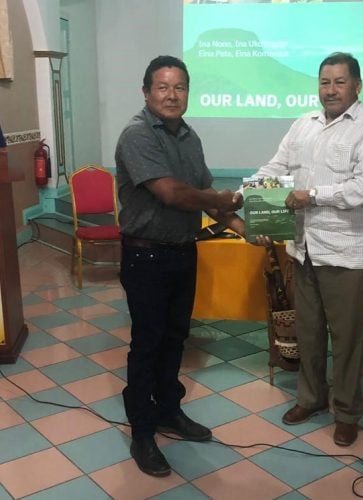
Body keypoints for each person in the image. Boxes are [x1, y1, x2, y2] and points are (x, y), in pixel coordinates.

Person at [254, 52, 363, 446]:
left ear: (357, 85)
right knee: (309, 332)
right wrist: (246, 193)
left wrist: (312, 195)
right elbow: (276, 167)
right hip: (304, 249)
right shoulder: (304, 125)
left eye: (339, 82)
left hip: (347, 252)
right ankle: (312, 398)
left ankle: (347, 411)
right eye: (324, 82)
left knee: (348, 338)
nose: (330, 90)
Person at [115, 55, 244, 477]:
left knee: (175, 338)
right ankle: (142, 433)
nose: (172, 95)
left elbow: (203, 191)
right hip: (145, 255)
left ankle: (170, 411)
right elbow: (173, 194)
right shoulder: (137, 135)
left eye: (180, 87)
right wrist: (223, 200)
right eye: (163, 87)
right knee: (148, 343)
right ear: (147, 92)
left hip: (183, 252)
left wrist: (245, 229)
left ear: (188, 91)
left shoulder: (190, 137)